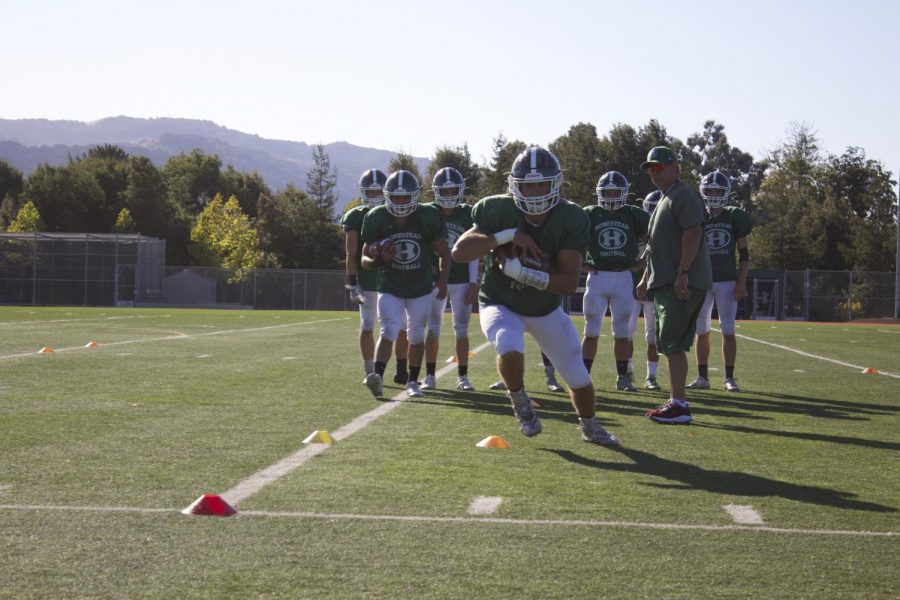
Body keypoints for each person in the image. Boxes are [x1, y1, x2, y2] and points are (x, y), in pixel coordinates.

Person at [452, 146, 619, 445]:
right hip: (500, 301)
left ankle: (590, 427)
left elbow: (568, 283)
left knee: (578, 377)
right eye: (528, 185)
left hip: (544, 308)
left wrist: (522, 273)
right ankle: (520, 402)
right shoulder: (499, 209)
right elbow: (460, 252)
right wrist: (506, 236)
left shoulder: (571, 217)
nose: (535, 191)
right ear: (515, 185)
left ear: (555, 183)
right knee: (508, 343)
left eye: (541, 183)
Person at [636, 146, 712, 424]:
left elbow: (693, 232)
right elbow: (657, 246)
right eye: (650, 168)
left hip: (680, 280)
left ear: (675, 168)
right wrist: (646, 278)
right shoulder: (665, 198)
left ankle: (679, 404)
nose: (654, 173)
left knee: (671, 341)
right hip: (666, 280)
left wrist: (683, 272)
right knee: (669, 341)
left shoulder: (684, 195)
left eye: (659, 167)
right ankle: (676, 400)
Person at [360, 170, 450, 399]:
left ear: (415, 197)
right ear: (387, 195)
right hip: (390, 285)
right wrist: (377, 259)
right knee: (389, 329)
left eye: (405, 197)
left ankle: (412, 381)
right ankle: (377, 376)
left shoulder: (427, 216)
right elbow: (364, 259)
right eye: (396, 197)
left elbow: (444, 253)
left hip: (420, 287)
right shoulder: (376, 217)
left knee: (417, 335)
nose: (400, 202)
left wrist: (442, 279)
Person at [581, 171, 649, 392]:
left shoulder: (632, 214)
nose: (610, 196)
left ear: (624, 193)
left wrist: (642, 262)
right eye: (607, 192)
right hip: (598, 276)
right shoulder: (590, 213)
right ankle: (583, 376)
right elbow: (571, 239)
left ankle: (622, 377)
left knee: (622, 332)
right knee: (591, 330)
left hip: (623, 277)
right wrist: (580, 263)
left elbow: (655, 239)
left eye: (615, 192)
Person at [341, 169, 409, 384]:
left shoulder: (397, 212)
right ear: (363, 193)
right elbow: (351, 254)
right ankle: (370, 370)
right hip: (369, 278)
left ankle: (401, 368)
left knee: (401, 327)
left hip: (395, 278)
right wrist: (352, 283)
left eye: (379, 192)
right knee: (368, 325)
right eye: (371, 193)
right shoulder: (355, 216)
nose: (376, 197)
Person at [687, 170, 753, 392]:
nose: (714, 194)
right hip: (703, 280)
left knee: (728, 329)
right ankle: (702, 377)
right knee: (701, 329)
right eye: (710, 190)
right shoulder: (697, 215)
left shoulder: (734, 216)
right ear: (703, 192)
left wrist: (741, 282)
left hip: (726, 280)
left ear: (726, 193)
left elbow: (744, 254)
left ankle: (729, 377)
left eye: (718, 191)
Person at [421, 167, 478, 392]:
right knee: (433, 329)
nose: (448, 195)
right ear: (436, 191)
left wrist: (474, 280)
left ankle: (463, 376)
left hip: (462, 278)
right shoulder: (428, 212)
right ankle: (430, 376)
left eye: (453, 190)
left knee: (461, 330)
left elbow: (474, 249)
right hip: (435, 280)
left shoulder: (468, 213)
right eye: (444, 191)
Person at [626, 190, 663, 390]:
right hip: (631, 285)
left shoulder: (666, 232)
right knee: (627, 331)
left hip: (653, 287)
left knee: (652, 335)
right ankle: (628, 371)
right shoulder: (634, 229)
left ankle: (651, 376)